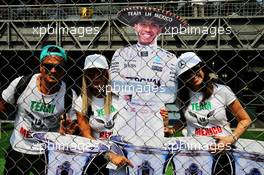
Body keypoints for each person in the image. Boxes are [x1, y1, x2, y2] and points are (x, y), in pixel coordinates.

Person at [110, 6, 187, 174]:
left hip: (153, 126)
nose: (147, 29)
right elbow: (116, 86)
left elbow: (170, 95)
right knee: (118, 170)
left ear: (160, 29)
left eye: (153, 25)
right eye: (143, 24)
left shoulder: (170, 59)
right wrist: (151, 90)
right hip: (123, 124)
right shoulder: (120, 54)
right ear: (135, 26)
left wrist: (133, 89)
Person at [1, 45, 77, 175]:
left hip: (48, 151)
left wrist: (68, 130)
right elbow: (3, 105)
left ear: (64, 71)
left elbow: (72, 125)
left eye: (58, 68)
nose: (53, 71)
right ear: (41, 67)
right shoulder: (22, 83)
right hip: (19, 147)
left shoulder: (69, 95)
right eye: (48, 66)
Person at [173, 52, 252, 174]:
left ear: (202, 67)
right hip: (194, 154)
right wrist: (172, 129)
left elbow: (245, 119)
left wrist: (231, 138)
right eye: (186, 74)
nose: (192, 75)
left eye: (195, 69)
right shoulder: (182, 97)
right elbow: (185, 120)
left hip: (222, 153)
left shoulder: (222, 91)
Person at [74, 54, 132, 174]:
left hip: (125, 150)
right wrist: (109, 155)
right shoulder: (81, 102)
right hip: (98, 156)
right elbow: (87, 136)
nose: (95, 77)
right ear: (85, 76)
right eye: (90, 73)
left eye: (99, 72)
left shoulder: (121, 95)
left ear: (106, 73)